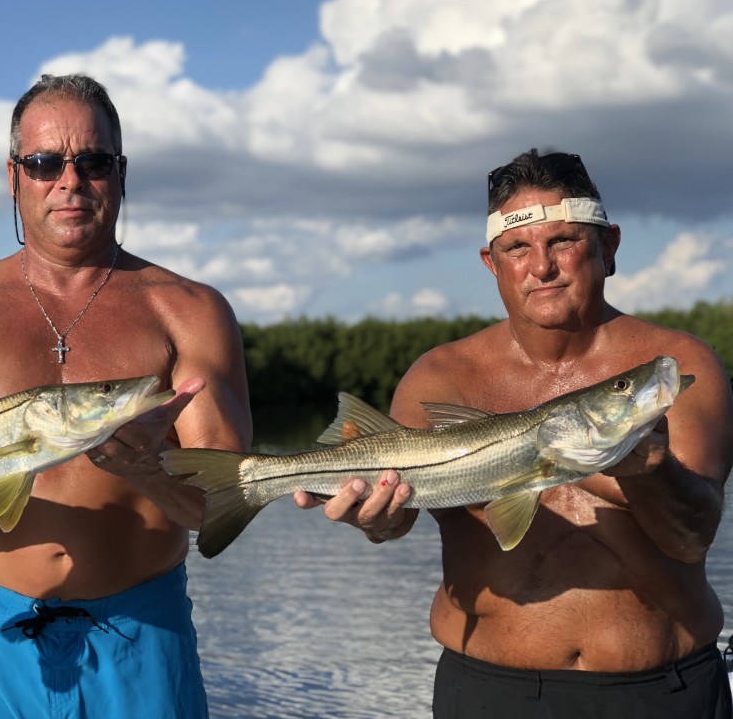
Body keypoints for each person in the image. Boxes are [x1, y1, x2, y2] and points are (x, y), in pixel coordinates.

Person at [0, 73, 252, 718]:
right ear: (13, 176)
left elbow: (219, 508)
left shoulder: (191, 311)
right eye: (43, 163)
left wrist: (149, 470)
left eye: (93, 161)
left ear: (120, 173)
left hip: (145, 632)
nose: (70, 181)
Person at [296, 149, 733, 717]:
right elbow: (398, 514)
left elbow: (691, 536)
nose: (542, 267)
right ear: (491, 262)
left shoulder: (670, 366)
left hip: (664, 690)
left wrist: (650, 471)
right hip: (489, 692)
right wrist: (377, 519)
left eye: (564, 242)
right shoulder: (440, 378)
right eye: (518, 248)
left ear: (609, 247)